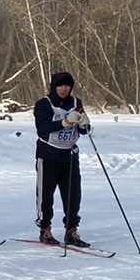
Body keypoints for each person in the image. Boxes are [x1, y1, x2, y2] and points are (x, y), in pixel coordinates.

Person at [32, 72, 90, 246]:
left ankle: (71, 230)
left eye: (67, 86)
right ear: (54, 87)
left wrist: (84, 125)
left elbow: (84, 129)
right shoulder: (44, 104)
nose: (64, 89)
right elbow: (42, 128)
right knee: (46, 195)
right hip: (48, 154)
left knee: (73, 194)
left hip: (69, 155)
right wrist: (64, 122)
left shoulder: (75, 103)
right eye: (60, 85)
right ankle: (45, 229)